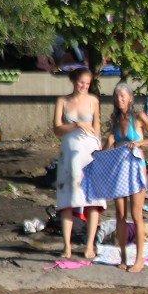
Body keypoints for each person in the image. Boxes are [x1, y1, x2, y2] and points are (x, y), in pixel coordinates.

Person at [106, 83, 148, 272]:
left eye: (122, 96)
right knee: (119, 215)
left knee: (136, 215)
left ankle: (139, 260)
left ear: (130, 97)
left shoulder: (139, 117)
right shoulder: (114, 118)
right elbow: (111, 144)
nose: (119, 100)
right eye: (116, 96)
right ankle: (122, 256)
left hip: (136, 168)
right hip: (117, 169)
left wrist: (140, 142)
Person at [52, 68, 106, 259]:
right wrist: (75, 125)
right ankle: (66, 246)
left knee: (93, 199)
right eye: (81, 82)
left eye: (87, 83)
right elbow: (56, 129)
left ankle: (89, 245)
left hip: (89, 150)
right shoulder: (63, 101)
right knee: (67, 198)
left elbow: (97, 125)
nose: (83, 86)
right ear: (74, 81)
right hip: (69, 151)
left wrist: (99, 146)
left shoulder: (93, 101)